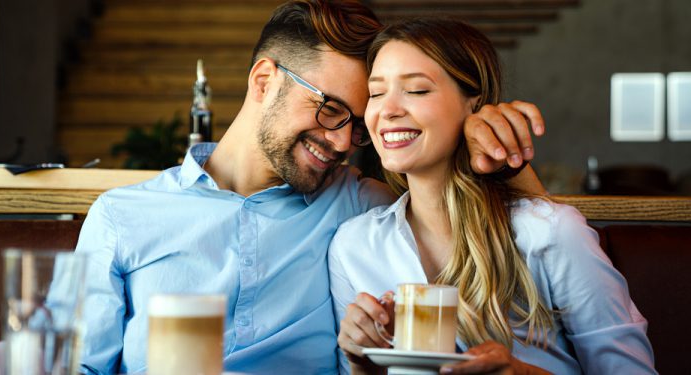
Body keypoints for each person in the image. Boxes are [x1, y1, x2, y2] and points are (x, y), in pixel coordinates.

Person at [74, 1, 548, 374]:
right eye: (329, 109)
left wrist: (489, 145)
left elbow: (508, 234)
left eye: (357, 125)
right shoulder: (122, 217)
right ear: (264, 81)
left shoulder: (360, 209)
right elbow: (75, 366)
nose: (343, 141)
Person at [329, 18, 656, 375]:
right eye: (376, 93)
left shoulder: (549, 232)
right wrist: (361, 363)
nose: (387, 110)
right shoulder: (354, 247)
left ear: (476, 104)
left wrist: (523, 373)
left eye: (417, 90)